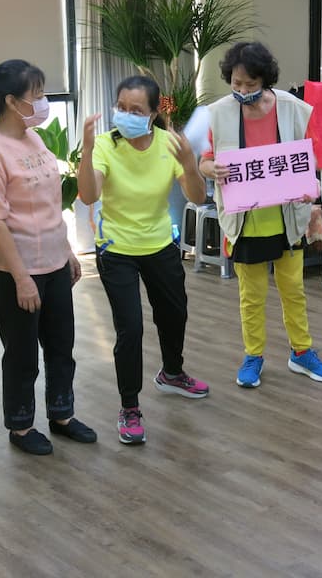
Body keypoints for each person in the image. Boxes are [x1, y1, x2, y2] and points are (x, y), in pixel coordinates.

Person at [0, 60, 97, 454]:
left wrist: (68, 251)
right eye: (37, 94)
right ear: (12, 101)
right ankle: (21, 427)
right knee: (22, 354)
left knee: (61, 347)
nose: (43, 101)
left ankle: (62, 415)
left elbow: (50, 204)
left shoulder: (34, 139)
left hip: (55, 263)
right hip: (17, 271)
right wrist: (22, 278)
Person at [77, 75, 209, 445]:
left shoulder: (169, 144)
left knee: (174, 313)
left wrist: (190, 163)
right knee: (130, 327)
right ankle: (129, 406)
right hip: (116, 248)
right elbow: (89, 195)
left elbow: (198, 197)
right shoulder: (105, 145)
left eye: (136, 110)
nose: (126, 115)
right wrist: (86, 151)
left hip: (159, 243)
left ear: (153, 114)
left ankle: (172, 373)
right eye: (121, 107)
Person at [199, 42, 322, 389]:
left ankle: (301, 352)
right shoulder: (217, 113)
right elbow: (205, 160)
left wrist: (311, 183)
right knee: (251, 295)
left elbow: (312, 156)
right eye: (236, 83)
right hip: (245, 222)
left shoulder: (294, 109)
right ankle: (253, 356)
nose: (242, 90)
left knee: (293, 290)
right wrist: (211, 169)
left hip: (287, 218)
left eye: (250, 84)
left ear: (265, 81)